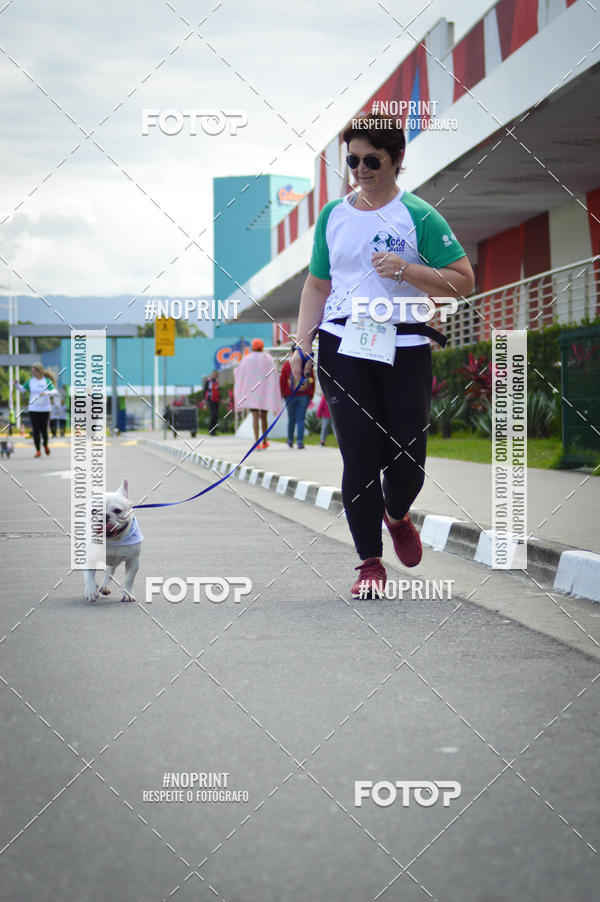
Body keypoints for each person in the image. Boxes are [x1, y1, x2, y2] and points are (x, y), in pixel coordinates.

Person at [291, 113, 474, 598]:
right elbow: (316, 284)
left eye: (372, 160)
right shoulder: (333, 216)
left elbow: (463, 279)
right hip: (342, 342)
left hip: (406, 343)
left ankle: (397, 515)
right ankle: (369, 562)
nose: (360, 169)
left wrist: (410, 270)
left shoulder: (420, 215)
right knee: (359, 452)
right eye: (352, 160)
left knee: (408, 459)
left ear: (396, 159)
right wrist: (301, 342)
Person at [233, 338, 281, 449]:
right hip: (265, 393)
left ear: (253, 347)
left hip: (252, 394)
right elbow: (273, 375)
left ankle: (256, 442)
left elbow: (238, 372)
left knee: (255, 417)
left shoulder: (247, 359)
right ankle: (265, 441)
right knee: (264, 417)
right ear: (262, 347)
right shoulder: (268, 359)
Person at [15, 363, 58, 457]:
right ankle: (38, 450)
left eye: (34, 371)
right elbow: (22, 389)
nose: (32, 373)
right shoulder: (31, 381)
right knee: (35, 430)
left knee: (44, 429)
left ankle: (45, 445)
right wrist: (17, 384)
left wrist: (46, 393)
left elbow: (55, 392)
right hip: (33, 408)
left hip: (45, 409)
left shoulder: (46, 381)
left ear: (40, 372)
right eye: (32, 371)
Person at [279, 344, 315, 448]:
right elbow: (312, 379)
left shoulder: (286, 365)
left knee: (291, 419)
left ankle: (290, 440)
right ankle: (300, 441)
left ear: (291, 353)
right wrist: (310, 395)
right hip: (304, 396)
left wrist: (282, 394)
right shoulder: (307, 363)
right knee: (301, 419)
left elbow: (282, 381)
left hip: (289, 396)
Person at [203, 370, 221, 435]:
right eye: (215, 374)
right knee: (214, 414)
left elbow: (218, 392)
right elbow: (205, 391)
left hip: (216, 401)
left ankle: (214, 431)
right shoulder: (208, 381)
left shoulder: (217, 382)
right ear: (212, 374)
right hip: (210, 400)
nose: (216, 375)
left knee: (216, 416)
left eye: (217, 374)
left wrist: (221, 399)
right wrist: (204, 400)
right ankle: (211, 430)